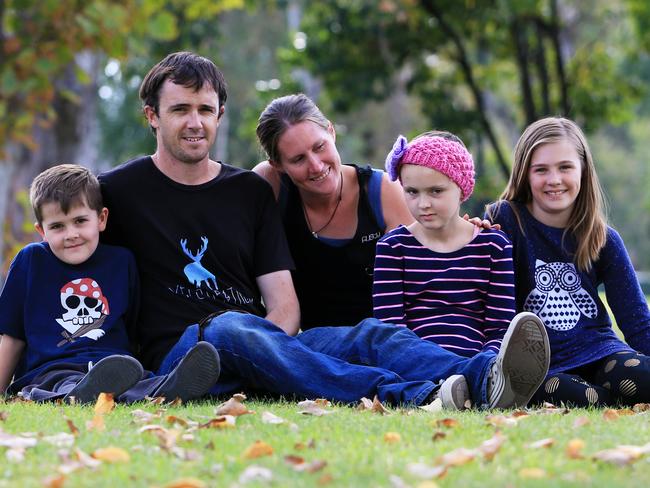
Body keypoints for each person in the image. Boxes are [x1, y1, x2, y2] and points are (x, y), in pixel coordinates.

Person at [99, 51, 548, 409]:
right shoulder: (118, 192)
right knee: (228, 328)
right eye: (180, 109)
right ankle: (412, 394)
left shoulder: (249, 192)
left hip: (268, 341)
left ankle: (487, 376)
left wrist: (274, 354)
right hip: (183, 354)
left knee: (371, 333)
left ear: (219, 115)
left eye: (205, 109)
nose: (195, 122)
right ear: (152, 116)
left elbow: (285, 308)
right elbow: (69, 259)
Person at [0, 164, 220, 404]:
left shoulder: (121, 261)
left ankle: (168, 387)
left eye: (80, 221)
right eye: (57, 226)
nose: (71, 233)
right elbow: (12, 337)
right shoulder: (31, 261)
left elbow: (132, 327)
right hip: (52, 369)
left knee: (141, 381)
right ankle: (77, 394)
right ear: (41, 230)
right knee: (62, 382)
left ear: (101, 219)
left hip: (116, 365)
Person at [372, 131, 549, 407]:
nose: (424, 204)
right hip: (412, 366)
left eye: (436, 191)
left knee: (493, 361)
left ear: (462, 188)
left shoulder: (493, 246)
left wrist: (486, 363)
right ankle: (450, 392)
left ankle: (484, 384)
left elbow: (498, 328)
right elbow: (390, 332)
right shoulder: (393, 248)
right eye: (412, 192)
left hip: (477, 361)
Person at [487, 116, 650, 407]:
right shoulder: (504, 221)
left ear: (583, 171)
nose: (554, 180)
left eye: (565, 167)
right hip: (542, 367)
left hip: (602, 353)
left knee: (642, 378)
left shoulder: (603, 238)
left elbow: (637, 323)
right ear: (525, 174)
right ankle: (603, 399)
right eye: (541, 170)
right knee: (584, 398)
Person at [254, 94, 413, 328]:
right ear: (277, 165)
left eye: (319, 147)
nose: (316, 166)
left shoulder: (383, 192)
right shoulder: (271, 186)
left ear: (331, 131)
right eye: (298, 159)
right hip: (313, 348)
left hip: (381, 343)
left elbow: (420, 286)